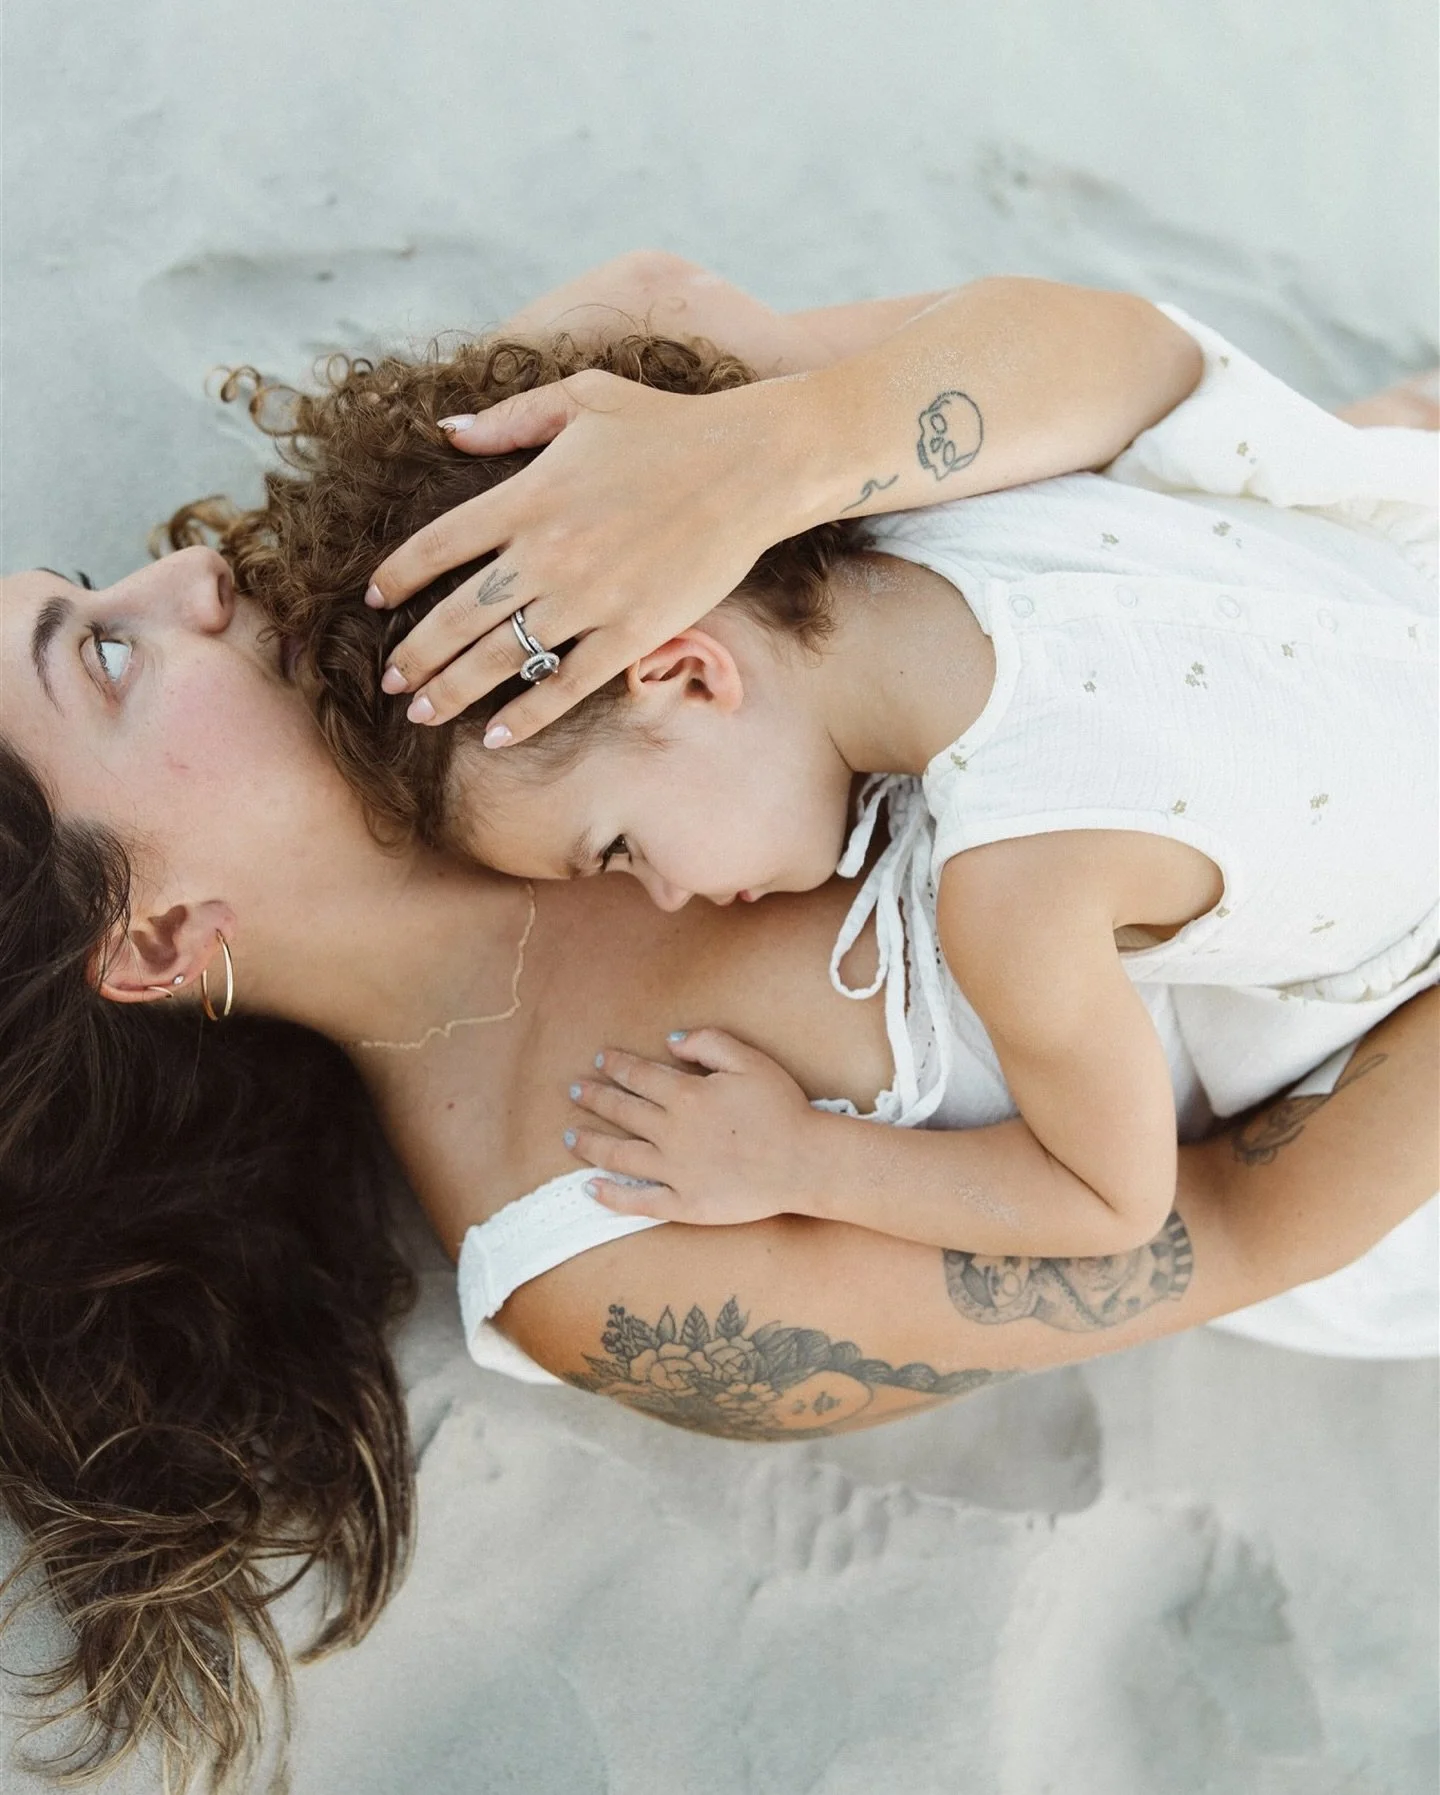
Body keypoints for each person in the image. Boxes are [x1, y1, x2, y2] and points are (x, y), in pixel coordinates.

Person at [0, 257, 1434, 1790]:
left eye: (99, 581)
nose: (191, 574)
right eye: (102, 651)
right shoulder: (593, 1245)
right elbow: (1244, 1226)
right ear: (154, 937)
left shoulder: (471, 546)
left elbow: (1140, 375)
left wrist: (795, 444)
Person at [400, 305, 1437, 1260]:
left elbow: (1110, 1198)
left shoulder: (1018, 887)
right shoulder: (948, 477)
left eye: (618, 850)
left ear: (686, 674)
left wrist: (799, 1160)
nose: (666, 898)